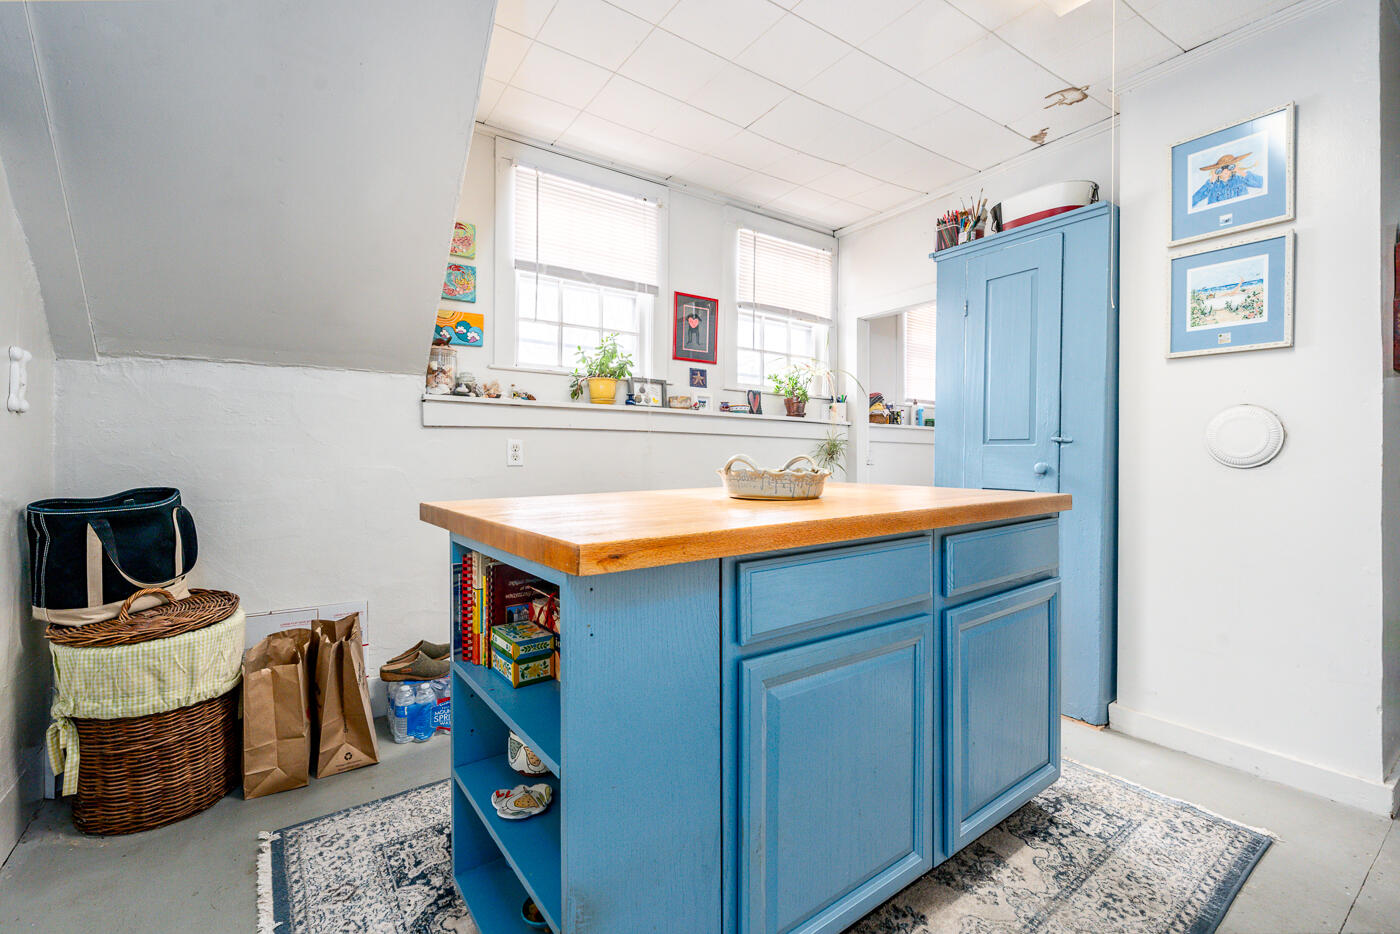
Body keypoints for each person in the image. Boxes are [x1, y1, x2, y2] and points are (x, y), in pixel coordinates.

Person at [1191, 152, 1263, 207]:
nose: (1225, 170)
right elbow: (1193, 200)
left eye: (1228, 167)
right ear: (1216, 170)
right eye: (1221, 168)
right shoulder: (1212, 186)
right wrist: (1212, 179)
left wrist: (1239, 171)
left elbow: (1262, 183)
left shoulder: (1240, 180)